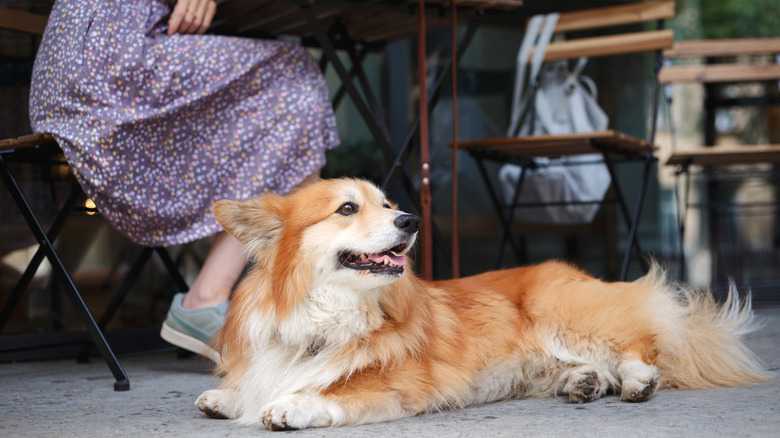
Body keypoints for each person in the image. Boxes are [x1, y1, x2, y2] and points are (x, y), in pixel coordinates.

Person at [29, 0, 339, 362]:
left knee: (292, 105)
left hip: (84, 63)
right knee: (294, 77)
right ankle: (234, 301)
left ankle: (252, 302)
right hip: (105, 59)